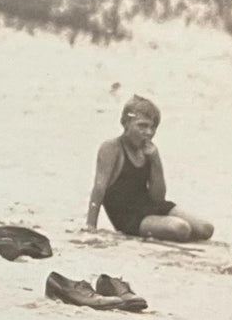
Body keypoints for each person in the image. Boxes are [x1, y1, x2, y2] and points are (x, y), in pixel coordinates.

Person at [85, 94, 214, 242]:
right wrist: (90, 227)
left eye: (153, 127)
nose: (149, 132)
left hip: (149, 207)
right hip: (128, 217)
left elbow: (158, 198)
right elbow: (99, 188)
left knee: (206, 229)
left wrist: (155, 160)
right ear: (126, 123)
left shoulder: (149, 151)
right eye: (142, 126)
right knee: (180, 228)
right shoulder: (112, 148)